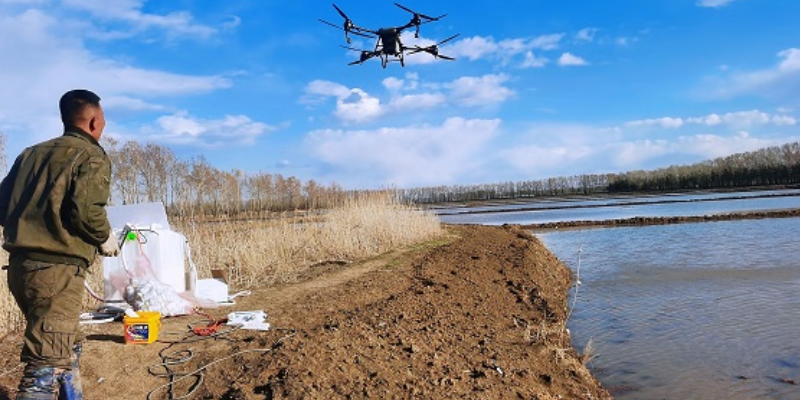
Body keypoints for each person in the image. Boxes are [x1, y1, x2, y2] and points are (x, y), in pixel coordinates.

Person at [0, 89, 120, 400]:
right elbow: (86, 212)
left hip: (20, 269)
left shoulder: (29, 154)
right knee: (44, 368)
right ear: (94, 121)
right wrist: (105, 238)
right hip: (57, 272)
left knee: (67, 344)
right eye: (103, 120)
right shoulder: (90, 155)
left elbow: (3, 207)